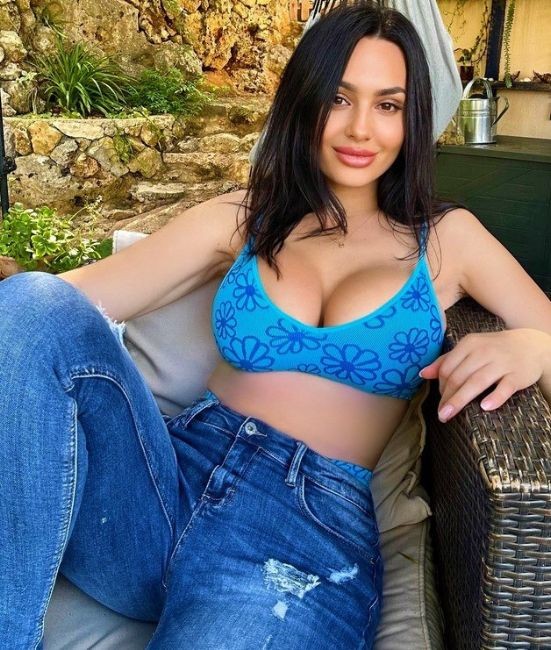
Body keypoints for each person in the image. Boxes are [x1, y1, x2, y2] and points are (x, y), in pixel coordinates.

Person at [1, 2, 550, 649]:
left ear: (412, 118)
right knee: (33, 300)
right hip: (155, 487)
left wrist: (534, 347)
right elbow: (51, 315)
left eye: (387, 105)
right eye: (338, 98)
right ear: (305, 101)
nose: (360, 128)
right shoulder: (244, 217)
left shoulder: (447, 239)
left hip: (298, 533)